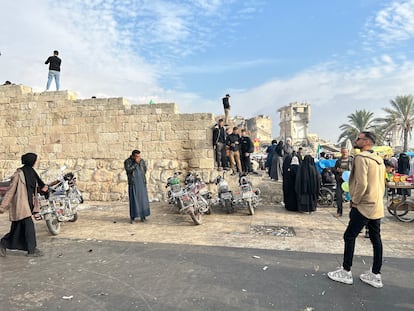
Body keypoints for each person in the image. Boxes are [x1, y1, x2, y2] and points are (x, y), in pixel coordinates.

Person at [328, 131, 385, 288]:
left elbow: (362, 184)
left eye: (358, 139)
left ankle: (346, 271)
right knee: (375, 238)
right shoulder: (379, 159)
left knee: (349, 236)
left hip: (364, 205)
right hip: (377, 204)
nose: (355, 140)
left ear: (366, 142)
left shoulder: (361, 159)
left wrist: (355, 201)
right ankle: (376, 274)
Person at [0, 153, 48, 257]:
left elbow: (39, 186)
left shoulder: (32, 172)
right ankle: (32, 250)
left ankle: (3, 244)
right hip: (22, 205)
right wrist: (3, 206)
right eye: (36, 160)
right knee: (29, 227)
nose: (37, 161)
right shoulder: (19, 174)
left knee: (16, 231)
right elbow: (10, 191)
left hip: (28, 205)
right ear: (31, 161)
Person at [124, 150, 150, 223]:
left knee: (143, 200)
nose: (139, 158)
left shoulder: (142, 161)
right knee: (134, 200)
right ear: (133, 156)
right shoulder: (128, 161)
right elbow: (128, 170)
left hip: (141, 182)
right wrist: (135, 163)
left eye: (139, 156)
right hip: (133, 183)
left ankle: (143, 216)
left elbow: (144, 169)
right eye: (137, 156)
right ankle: (133, 218)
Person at [333, 148, 353, 217]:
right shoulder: (338, 161)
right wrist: (337, 171)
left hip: (350, 181)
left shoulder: (352, 160)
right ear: (341, 153)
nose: (344, 154)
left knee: (353, 197)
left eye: (345, 152)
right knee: (339, 196)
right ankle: (339, 212)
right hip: (340, 180)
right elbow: (334, 170)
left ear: (348, 152)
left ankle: (353, 213)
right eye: (343, 152)